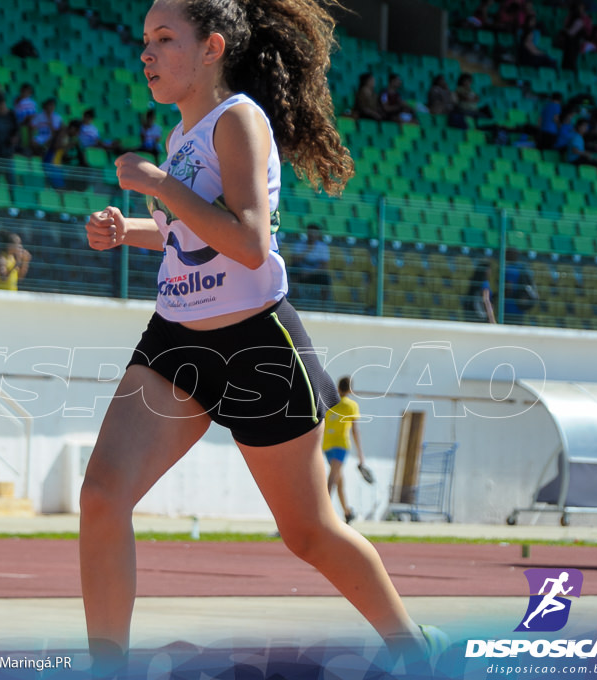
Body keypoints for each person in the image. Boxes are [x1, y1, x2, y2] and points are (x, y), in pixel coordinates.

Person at [80, 0, 445, 675]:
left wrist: (159, 186)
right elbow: (185, 232)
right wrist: (126, 227)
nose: (146, 54)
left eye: (165, 38)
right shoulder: (179, 139)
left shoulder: (238, 119)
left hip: (257, 345)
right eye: (143, 41)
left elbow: (248, 241)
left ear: (212, 46)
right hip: (175, 343)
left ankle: (412, 646)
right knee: (102, 496)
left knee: (308, 533)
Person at [322, 376, 367, 524]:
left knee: (339, 480)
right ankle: (323, 513)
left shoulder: (329, 402)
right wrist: (361, 454)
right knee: (332, 479)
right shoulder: (351, 405)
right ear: (350, 389)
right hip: (340, 445)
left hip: (327, 445)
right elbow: (355, 430)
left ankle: (347, 512)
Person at [297, 223, 331, 302]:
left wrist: (310, 273)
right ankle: (294, 300)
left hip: (315, 274)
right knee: (293, 273)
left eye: (314, 233)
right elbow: (295, 260)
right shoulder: (299, 245)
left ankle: (324, 303)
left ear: (318, 234)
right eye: (310, 232)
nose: (312, 235)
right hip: (301, 273)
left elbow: (324, 266)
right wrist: (308, 250)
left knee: (325, 278)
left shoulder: (323, 247)